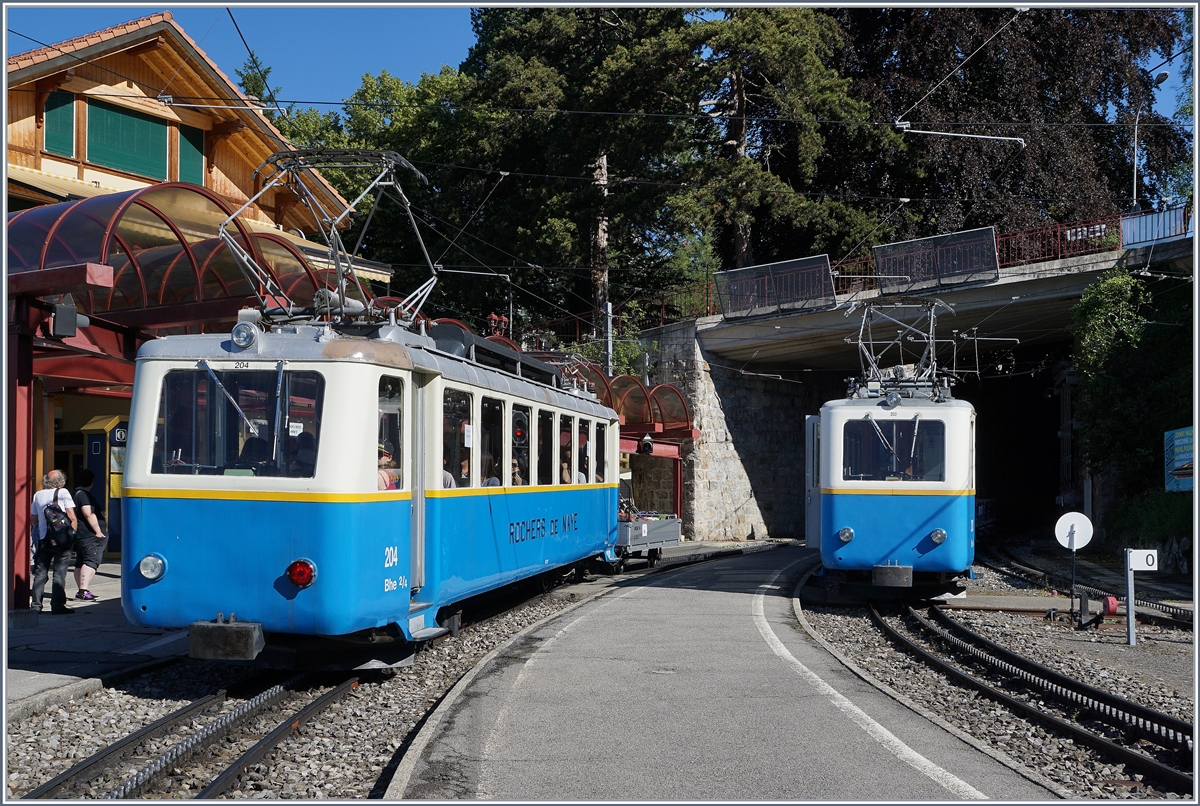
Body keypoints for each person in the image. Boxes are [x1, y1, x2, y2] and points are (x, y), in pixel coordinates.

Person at [30, 469, 78, 614]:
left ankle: (36, 606)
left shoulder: (37, 494)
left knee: (40, 573)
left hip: (44, 539)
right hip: (62, 539)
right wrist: (72, 533)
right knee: (59, 573)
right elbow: (71, 515)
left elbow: (33, 519)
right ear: (61, 481)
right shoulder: (62, 492)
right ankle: (57, 606)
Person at [71, 469, 109, 601]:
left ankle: (81, 589)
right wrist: (98, 531)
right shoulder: (84, 495)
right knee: (91, 561)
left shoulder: (74, 494)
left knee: (80, 561)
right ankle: (83, 591)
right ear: (91, 481)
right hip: (90, 535)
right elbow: (88, 513)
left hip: (80, 535)